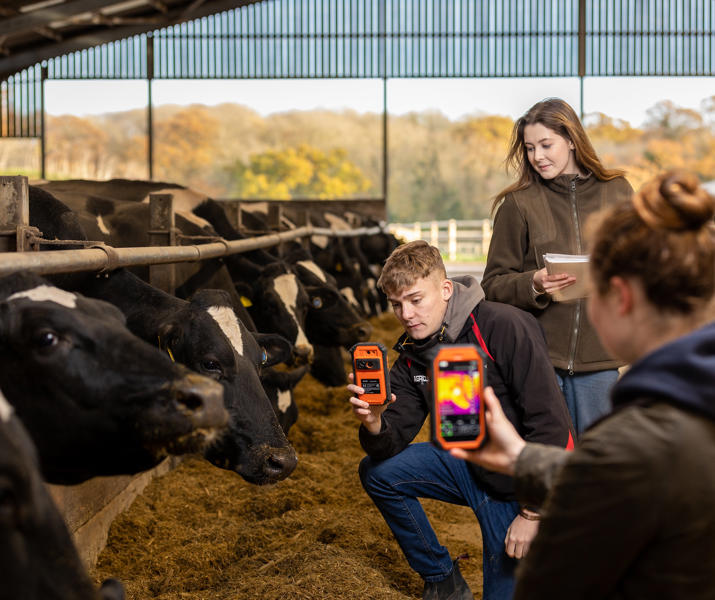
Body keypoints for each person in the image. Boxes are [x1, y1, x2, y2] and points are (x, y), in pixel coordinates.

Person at [452, 170, 715, 599]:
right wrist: (523, 458)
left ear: (621, 298)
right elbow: (627, 475)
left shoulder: (635, 433)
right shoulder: (678, 413)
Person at [348, 240, 574, 600]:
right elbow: (390, 443)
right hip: (463, 462)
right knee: (378, 474)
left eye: (416, 299)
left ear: (446, 289)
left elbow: (552, 426)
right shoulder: (412, 353)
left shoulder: (505, 326)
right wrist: (375, 421)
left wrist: (532, 514)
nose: (406, 314)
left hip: (513, 481)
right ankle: (441, 577)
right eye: (396, 304)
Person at [481, 97, 634, 434]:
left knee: (598, 467)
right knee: (546, 466)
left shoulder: (619, 193)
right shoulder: (518, 204)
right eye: (530, 147)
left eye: (546, 144)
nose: (537, 156)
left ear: (571, 139)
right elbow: (491, 285)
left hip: (601, 361)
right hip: (538, 362)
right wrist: (534, 283)